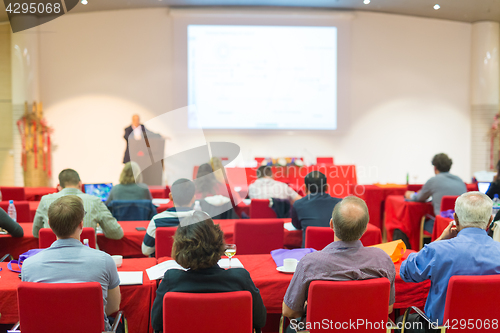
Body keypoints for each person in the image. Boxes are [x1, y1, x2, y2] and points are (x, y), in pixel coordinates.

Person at [282, 196, 395, 331]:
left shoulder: (309, 263)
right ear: (365, 229)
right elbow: (387, 309)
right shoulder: (383, 259)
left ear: (331, 224)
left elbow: (289, 312)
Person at [399, 192, 500, 332]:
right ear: (490, 221)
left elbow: (406, 272)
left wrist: (439, 240)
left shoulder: (438, 250)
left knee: (401, 322)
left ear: (455, 219)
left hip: (440, 328)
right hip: (489, 326)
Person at [150, 211, 267, 332]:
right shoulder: (240, 278)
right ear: (218, 242)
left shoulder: (171, 279)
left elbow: (156, 324)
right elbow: (260, 320)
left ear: (180, 247)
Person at [22, 196, 122, 332]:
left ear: (50, 224)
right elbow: (113, 307)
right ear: (81, 224)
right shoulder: (105, 261)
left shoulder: (28, 265)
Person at [33, 169, 123, 239]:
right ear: (80, 184)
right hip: (88, 257)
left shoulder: (45, 200)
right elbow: (116, 233)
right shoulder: (94, 201)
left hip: (52, 258)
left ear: (59, 187)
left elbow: (36, 233)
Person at [404, 153, 466, 234]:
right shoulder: (460, 180)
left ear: (435, 167)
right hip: (461, 226)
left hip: (443, 226)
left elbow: (419, 198)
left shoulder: (433, 181)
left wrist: (410, 194)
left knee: (418, 224)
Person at [142, 178, 196, 256]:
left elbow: (146, 250)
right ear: (193, 198)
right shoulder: (203, 218)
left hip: (164, 263)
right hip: (195, 264)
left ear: (170, 196)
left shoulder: (157, 220)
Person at [291, 171, 342, 247]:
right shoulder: (341, 204)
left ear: (305, 188)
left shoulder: (298, 204)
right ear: (326, 187)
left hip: (309, 253)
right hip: (336, 251)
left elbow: (297, 226)